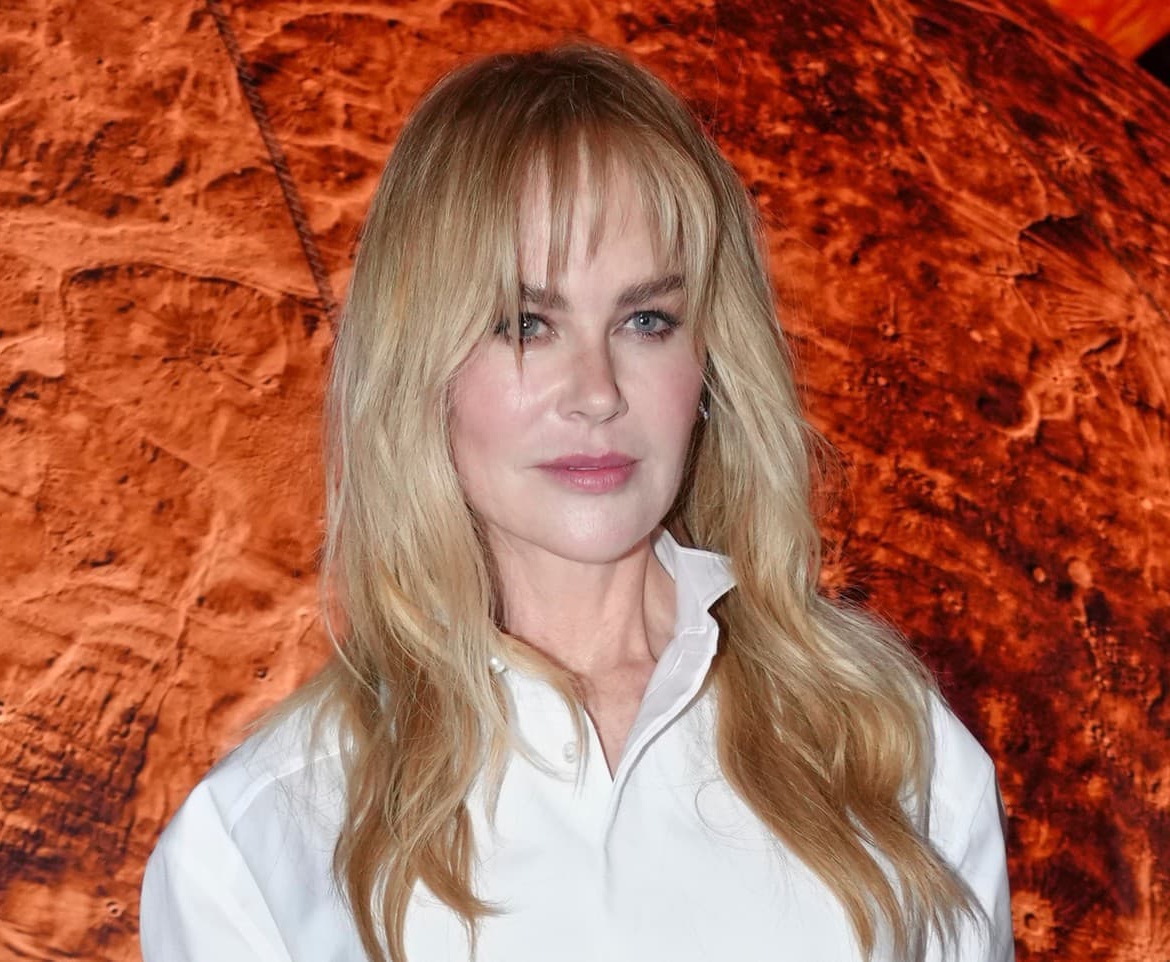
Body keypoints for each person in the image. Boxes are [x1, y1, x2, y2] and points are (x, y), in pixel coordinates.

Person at [139, 39, 1014, 962]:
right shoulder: (258, 846)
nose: (596, 392)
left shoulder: (894, 748)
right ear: (421, 366)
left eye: (646, 320)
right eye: (527, 324)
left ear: (709, 363)